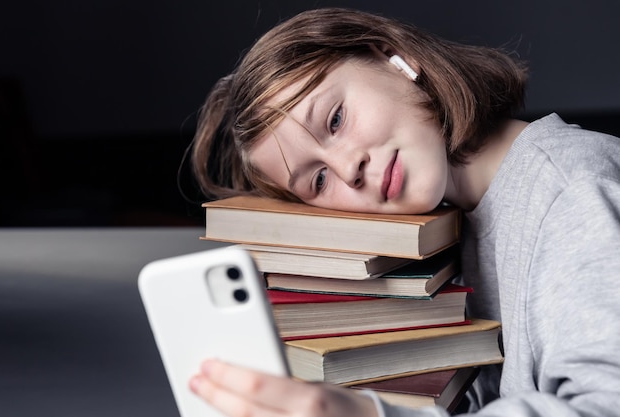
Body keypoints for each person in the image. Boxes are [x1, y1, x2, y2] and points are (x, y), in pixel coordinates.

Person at [186, 7, 620, 417]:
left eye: (335, 120)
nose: (347, 169)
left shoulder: (573, 194)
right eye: (318, 181)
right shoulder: (456, 229)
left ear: (394, 58)